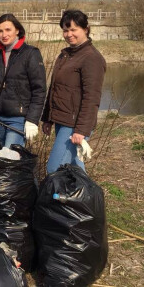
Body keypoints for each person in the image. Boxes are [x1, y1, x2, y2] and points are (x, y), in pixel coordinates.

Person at [42, 9, 106, 174]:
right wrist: (48, 118)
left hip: (74, 124)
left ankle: (57, 199)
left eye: (73, 29)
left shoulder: (91, 58)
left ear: (85, 29)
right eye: (65, 30)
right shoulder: (66, 55)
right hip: (63, 120)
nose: (69, 34)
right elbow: (55, 88)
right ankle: (85, 198)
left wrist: (81, 130)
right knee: (74, 168)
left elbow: (91, 98)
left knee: (55, 170)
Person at [0, 13, 46, 148]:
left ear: (17, 30)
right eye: (0, 31)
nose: (3, 34)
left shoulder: (30, 54)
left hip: (18, 117)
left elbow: (39, 90)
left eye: (8, 30)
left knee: (8, 159)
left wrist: (32, 120)